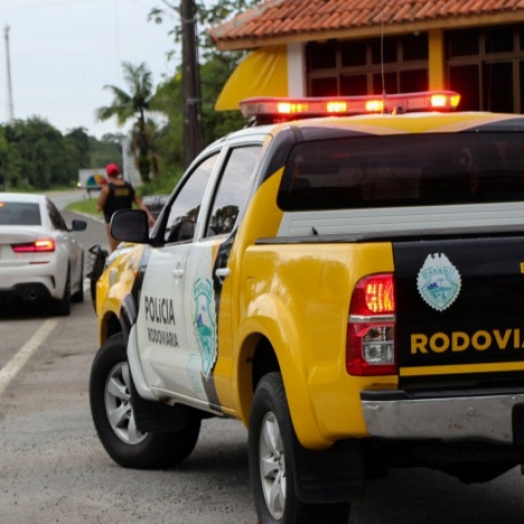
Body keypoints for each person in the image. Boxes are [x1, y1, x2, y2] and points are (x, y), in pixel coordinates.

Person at [96, 163, 155, 252]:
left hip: (113, 223)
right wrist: (149, 216)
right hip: (128, 222)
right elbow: (139, 203)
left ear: (108, 174)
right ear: (118, 173)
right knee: (128, 248)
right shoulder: (128, 187)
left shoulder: (107, 189)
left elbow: (99, 207)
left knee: (115, 249)